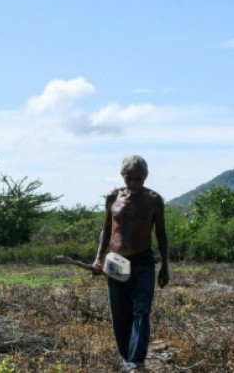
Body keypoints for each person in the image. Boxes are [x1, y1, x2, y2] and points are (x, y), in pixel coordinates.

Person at [92, 155, 169, 372]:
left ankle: (136, 361)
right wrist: (98, 258)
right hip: (116, 261)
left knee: (141, 309)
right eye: (129, 178)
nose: (134, 183)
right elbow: (106, 230)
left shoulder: (154, 200)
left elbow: (161, 235)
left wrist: (165, 265)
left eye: (139, 178)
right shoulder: (112, 198)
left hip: (143, 261)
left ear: (145, 176)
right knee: (120, 312)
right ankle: (127, 358)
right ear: (122, 176)